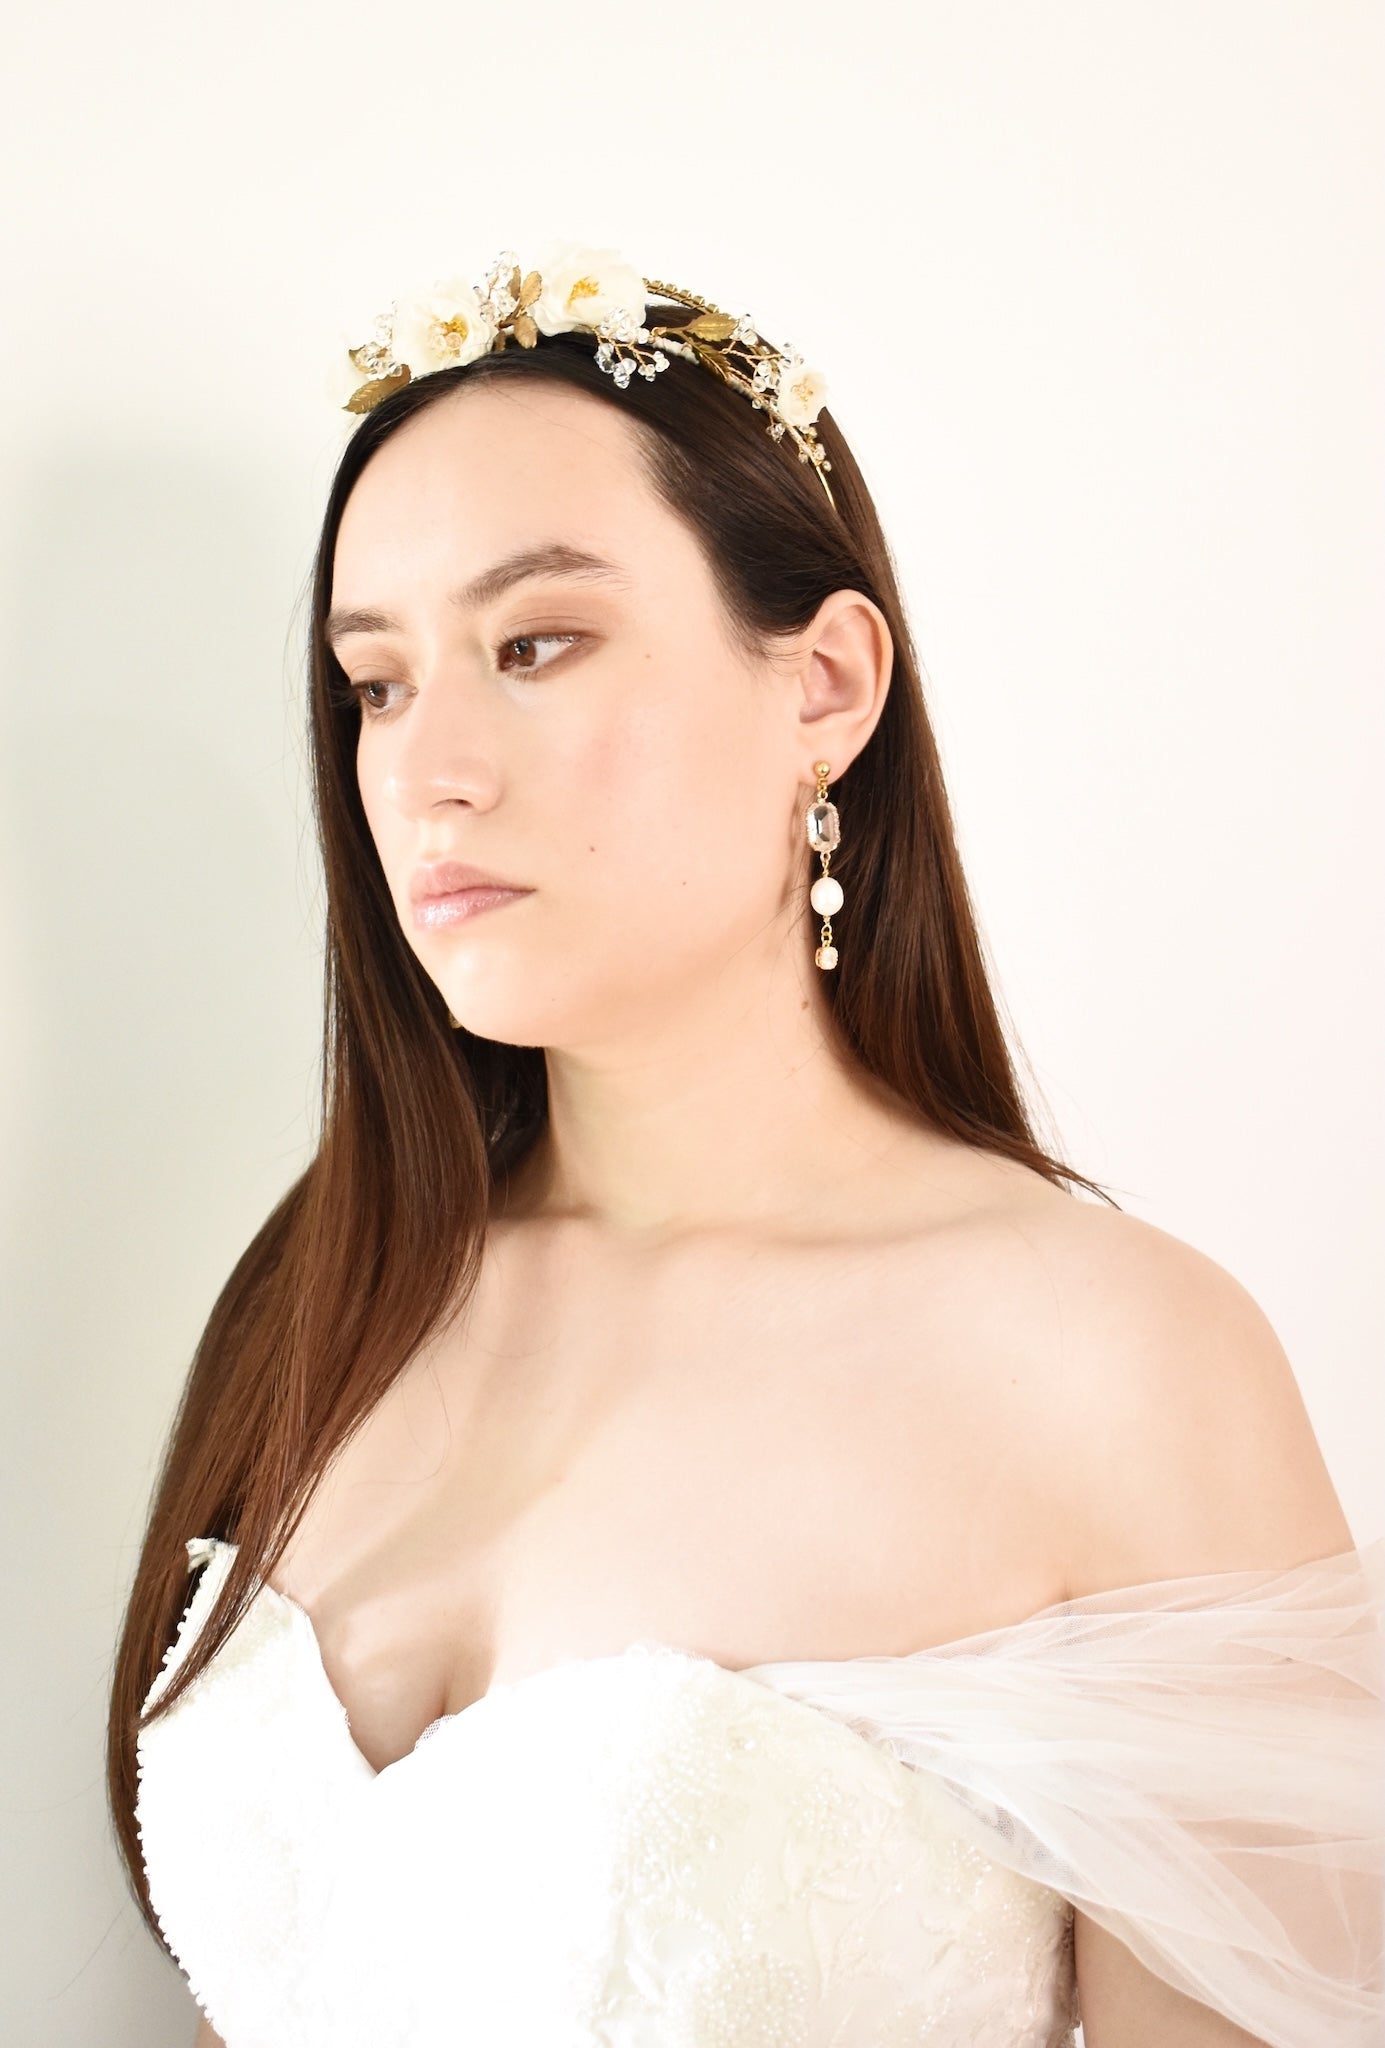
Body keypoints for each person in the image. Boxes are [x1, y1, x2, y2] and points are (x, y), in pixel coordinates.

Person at [108, 245, 1384, 2047]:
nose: (428, 767)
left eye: (535, 645)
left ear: (826, 688)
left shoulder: (1115, 1364)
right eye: (376, 683)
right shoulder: (331, 1300)